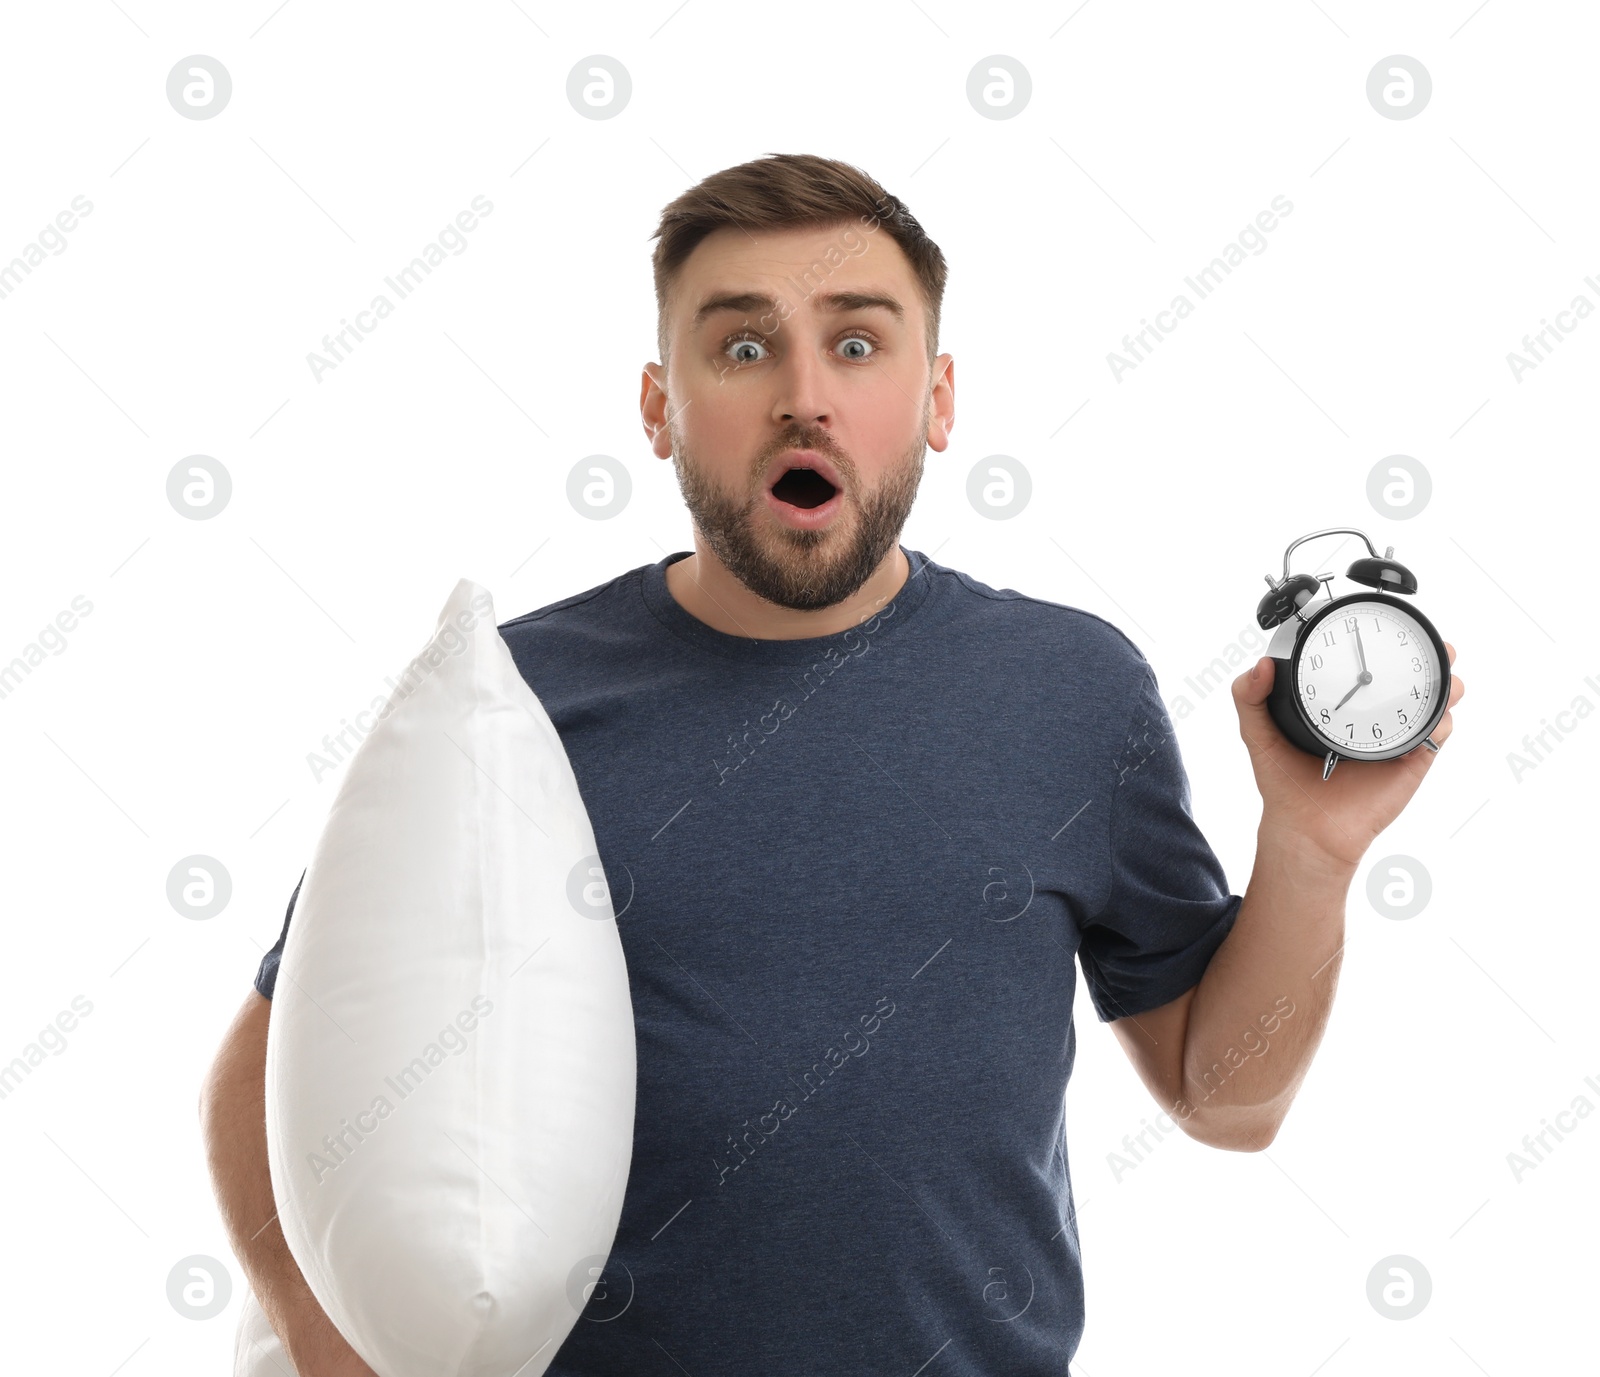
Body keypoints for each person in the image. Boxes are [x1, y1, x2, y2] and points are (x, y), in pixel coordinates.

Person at [200, 152, 1465, 1374]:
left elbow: (1226, 1103)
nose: (803, 392)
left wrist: (1309, 850)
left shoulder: (1074, 691)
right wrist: (331, 1359)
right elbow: (268, 1071)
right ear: (660, 407)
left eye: (856, 344)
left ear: (938, 399)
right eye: (742, 346)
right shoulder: (517, 698)